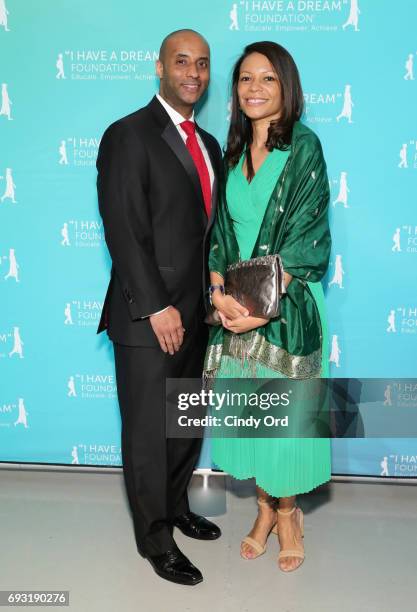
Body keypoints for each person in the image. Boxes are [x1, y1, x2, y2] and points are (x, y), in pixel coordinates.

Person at [96, 29, 223, 586]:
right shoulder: (128, 135)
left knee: (185, 424)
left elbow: (207, 234)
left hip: (199, 316)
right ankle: (155, 541)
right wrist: (156, 308)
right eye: (181, 62)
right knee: (149, 432)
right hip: (149, 319)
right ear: (159, 67)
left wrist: (213, 297)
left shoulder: (212, 144)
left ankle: (175, 507)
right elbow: (124, 230)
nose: (193, 73)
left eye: (202, 64)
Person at [204, 41, 331, 572]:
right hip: (235, 310)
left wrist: (260, 311)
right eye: (245, 78)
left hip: (288, 308)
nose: (254, 88)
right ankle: (262, 508)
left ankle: (289, 512)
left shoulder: (304, 148)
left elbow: (307, 242)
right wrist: (218, 292)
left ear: (287, 87)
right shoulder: (231, 154)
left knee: (287, 424)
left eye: (268, 79)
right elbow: (219, 235)